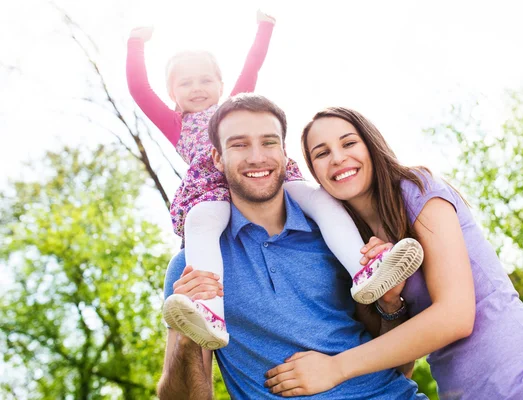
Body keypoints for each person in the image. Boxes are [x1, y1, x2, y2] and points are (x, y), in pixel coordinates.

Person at [127, 12, 423, 350]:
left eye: (206, 80)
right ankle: (208, 312)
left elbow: (251, 67)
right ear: (172, 94)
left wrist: (264, 26)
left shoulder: (236, 110)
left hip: (267, 176)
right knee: (200, 223)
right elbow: (139, 89)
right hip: (213, 190)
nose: (197, 88)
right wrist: (136, 43)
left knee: (319, 199)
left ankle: (364, 270)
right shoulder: (175, 122)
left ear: (221, 87)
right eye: (186, 83)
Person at [263, 106, 523, 399]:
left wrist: (335, 368)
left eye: (349, 143)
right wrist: (391, 303)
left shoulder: (416, 189)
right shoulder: (356, 252)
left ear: (371, 144)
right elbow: (401, 367)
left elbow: (455, 317)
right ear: (315, 173)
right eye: (321, 153)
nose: (337, 158)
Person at [156, 93, 428, 399]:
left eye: (269, 142)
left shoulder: (337, 238)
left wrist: (390, 305)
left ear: (285, 153)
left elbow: (402, 369)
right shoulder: (193, 268)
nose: (257, 157)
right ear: (217, 158)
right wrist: (188, 335)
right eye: (239, 144)